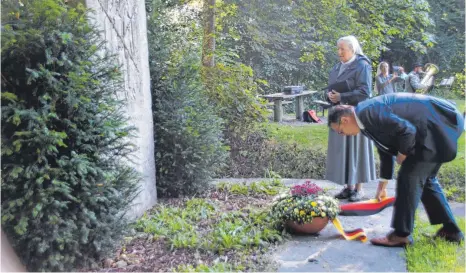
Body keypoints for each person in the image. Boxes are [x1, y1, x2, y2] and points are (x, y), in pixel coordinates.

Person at [327, 93, 464, 247]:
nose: (343, 135)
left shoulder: (368, 112)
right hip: (437, 123)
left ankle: (401, 235)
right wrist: (383, 184)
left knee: (409, 177)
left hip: (441, 121)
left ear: (344, 120)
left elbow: (407, 131)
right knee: (425, 180)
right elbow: (385, 149)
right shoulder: (363, 120)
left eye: (340, 131)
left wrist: (403, 153)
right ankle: (452, 231)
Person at [325, 35, 376, 202]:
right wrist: (330, 96)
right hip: (340, 115)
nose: (339, 52)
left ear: (352, 50)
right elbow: (331, 87)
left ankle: (358, 189)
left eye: (343, 49)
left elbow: (364, 92)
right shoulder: (336, 67)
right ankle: (348, 187)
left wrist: (342, 96)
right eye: (338, 49)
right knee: (344, 151)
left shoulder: (362, 65)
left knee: (357, 150)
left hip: (356, 115)